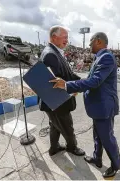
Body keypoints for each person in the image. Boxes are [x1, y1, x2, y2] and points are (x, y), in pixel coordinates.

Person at [51, 32, 120, 178]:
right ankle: (97, 158)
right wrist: (75, 87)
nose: (89, 46)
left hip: (104, 107)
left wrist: (67, 85)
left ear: (99, 42)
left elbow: (94, 81)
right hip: (98, 107)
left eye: (90, 43)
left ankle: (116, 165)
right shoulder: (99, 58)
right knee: (98, 135)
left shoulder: (106, 58)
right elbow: (90, 80)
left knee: (107, 137)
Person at [39, 25, 85, 157]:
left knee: (55, 125)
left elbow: (67, 73)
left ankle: (54, 148)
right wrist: (72, 88)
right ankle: (72, 147)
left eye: (67, 37)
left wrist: (79, 83)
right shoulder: (50, 54)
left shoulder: (54, 51)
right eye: (64, 37)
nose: (67, 40)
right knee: (67, 126)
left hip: (54, 103)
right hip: (57, 102)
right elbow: (56, 82)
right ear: (54, 37)